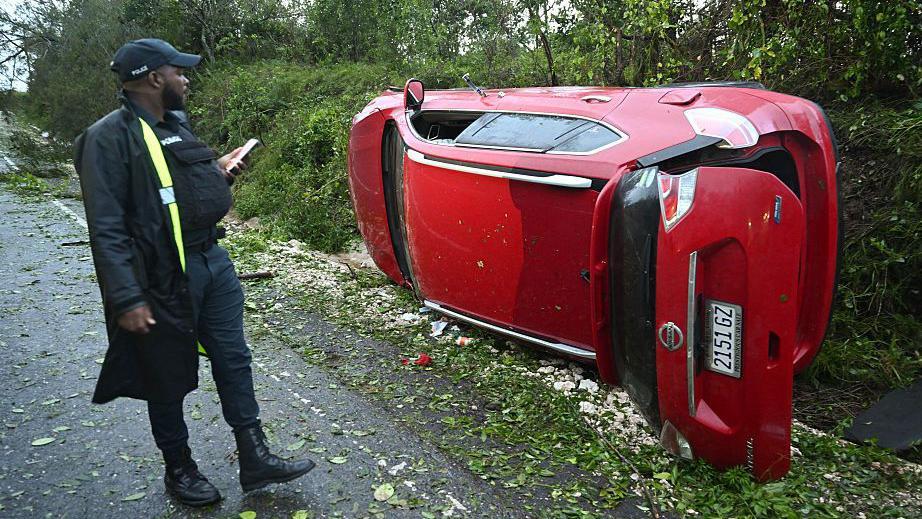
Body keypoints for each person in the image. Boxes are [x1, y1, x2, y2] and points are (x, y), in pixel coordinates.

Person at [74, 38, 314, 507]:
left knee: (234, 358)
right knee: (165, 373)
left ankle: (255, 456)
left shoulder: (175, 123)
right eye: (178, 71)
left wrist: (219, 171)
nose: (185, 79)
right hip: (160, 276)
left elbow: (180, 182)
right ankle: (179, 470)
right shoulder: (107, 138)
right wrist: (126, 297)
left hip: (213, 263)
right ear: (153, 78)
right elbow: (106, 226)